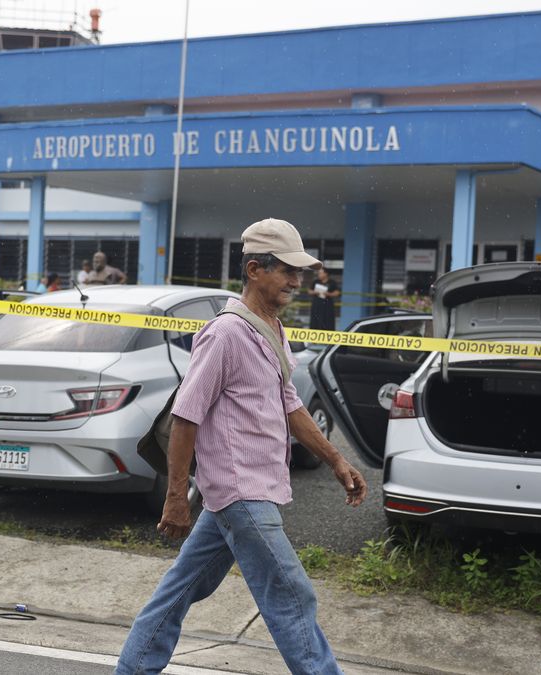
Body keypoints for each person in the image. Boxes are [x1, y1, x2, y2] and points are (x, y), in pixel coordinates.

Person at [115, 218, 367, 675]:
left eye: (299, 272)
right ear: (254, 269)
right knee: (291, 595)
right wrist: (176, 497)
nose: (296, 282)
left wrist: (336, 459)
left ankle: (132, 670)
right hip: (241, 492)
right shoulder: (225, 334)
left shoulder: (272, 328)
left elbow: (290, 405)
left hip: (248, 490)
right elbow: (186, 416)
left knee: (180, 589)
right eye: (287, 271)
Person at [308, 267, 340, 332]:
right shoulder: (316, 282)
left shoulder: (332, 282)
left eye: (320, 273)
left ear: (326, 274)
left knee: (327, 321)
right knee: (315, 321)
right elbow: (309, 291)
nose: (319, 275)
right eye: (318, 273)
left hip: (327, 305)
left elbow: (337, 292)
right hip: (317, 305)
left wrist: (329, 294)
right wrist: (315, 292)